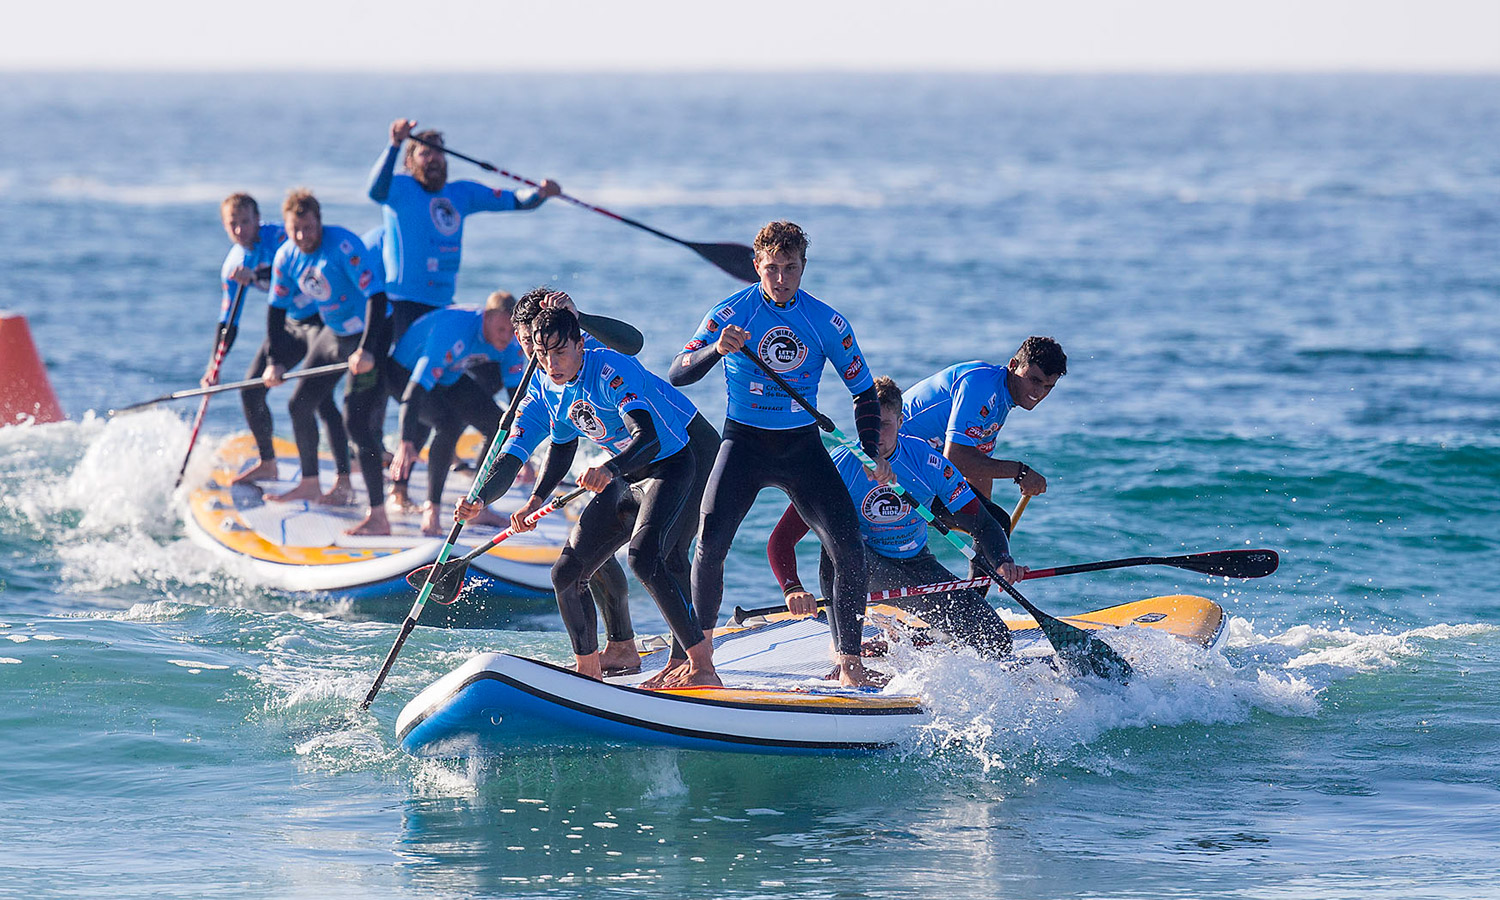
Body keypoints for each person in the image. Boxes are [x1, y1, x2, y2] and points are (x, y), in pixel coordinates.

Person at [668, 220, 890, 688]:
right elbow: (677, 372)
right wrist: (714, 348)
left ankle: (849, 664)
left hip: (801, 446)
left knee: (849, 548)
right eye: (772, 268)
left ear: (803, 267)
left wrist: (874, 454)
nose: (782, 278)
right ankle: (702, 663)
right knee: (709, 545)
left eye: (791, 268)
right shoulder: (731, 312)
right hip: (743, 444)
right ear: (757, 267)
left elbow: (864, 392)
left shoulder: (826, 321)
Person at [456, 307, 720, 685]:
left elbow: (649, 438)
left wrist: (608, 469)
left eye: (555, 351)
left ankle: (700, 666)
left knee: (650, 557)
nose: (547, 361)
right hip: (627, 473)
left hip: (674, 462)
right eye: (536, 352)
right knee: (566, 572)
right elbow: (558, 448)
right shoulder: (547, 386)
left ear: (579, 344)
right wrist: (485, 499)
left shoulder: (609, 367)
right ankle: (590, 670)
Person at [368, 118, 559, 510]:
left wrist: (539, 194)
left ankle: (452, 460)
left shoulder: (461, 194)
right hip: (403, 305)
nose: (435, 160)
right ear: (411, 160)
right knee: (411, 392)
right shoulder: (401, 188)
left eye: (439, 153)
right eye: (425, 152)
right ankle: (397, 482)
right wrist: (392, 144)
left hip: (442, 308)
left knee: (446, 392)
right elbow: (375, 188)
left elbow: (511, 200)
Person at [767, 376, 1026, 658]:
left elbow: (983, 523)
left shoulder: (928, 462)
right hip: (863, 566)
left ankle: (913, 639)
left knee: (997, 639)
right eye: (868, 425)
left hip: (917, 566)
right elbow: (781, 539)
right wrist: (792, 588)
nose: (875, 434)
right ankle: (845, 653)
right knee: (836, 544)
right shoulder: (838, 466)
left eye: (884, 424)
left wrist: (1003, 561)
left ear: (901, 422)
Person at [258, 189, 393, 535]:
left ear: (319, 221)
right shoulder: (286, 256)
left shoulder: (343, 247)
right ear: (286, 229)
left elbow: (376, 298)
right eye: (295, 230)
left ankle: (378, 515)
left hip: (371, 332)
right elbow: (275, 311)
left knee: (355, 422)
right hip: (334, 333)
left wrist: (367, 350)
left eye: (308, 227)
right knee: (300, 403)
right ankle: (312, 482)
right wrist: (274, 361)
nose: (303, 236)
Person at [227, 193, 352, 488]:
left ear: (258, 219)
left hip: (319, 321)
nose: (241, 230)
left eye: (246, 221)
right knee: (250, 390)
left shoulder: (282, 235)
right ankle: (267, 462)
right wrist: (212, 367)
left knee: (319, 400)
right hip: (287, 324)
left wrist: (255, 274)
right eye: (233, 224)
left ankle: (343, 475)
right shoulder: (233, 265)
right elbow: (228, 321)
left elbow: (297, 267)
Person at [901, 337, 1067, 540]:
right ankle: (997, 570)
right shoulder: (981, 385)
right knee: (993, 523)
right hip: (894, 467)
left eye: (1048, 387)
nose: (1039, 393)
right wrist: (1020, 472)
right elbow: (956, 460)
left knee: (992, 522)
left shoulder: (1001, 400)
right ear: (1013, 365)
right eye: (1034, 380)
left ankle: (990, 572)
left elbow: (979, 468)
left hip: (921, 468)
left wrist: (985, 523)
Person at [386, 291, 524, 534]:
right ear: (488, 317)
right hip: (402, 373)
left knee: (498, 425)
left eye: (511, 331)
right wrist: (405, 441)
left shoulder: (512, 341)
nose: (506, 338)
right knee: (446, 424)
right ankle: (430, 508)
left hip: (450, 373)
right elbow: (414, 391)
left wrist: (524, 449)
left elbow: (516, 398)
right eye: (502, 330)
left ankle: (478, 505)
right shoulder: (455, 331)